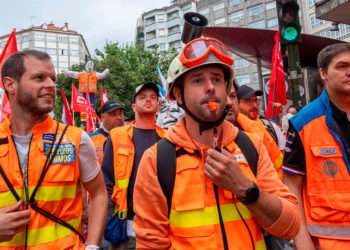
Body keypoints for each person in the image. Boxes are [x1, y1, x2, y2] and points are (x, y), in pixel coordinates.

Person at [133, 36, 299, 249]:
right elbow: (150, 244)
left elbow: (290, 226)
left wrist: (246, 189)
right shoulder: (157, 160)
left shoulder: (252, 146)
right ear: (178, 95)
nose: (210, 87)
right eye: (198, 80)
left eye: (217, 79)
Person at [0, 50, 107, 249]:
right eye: (39, 78)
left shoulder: (76, 139)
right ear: (10, 84)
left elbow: (99, 193)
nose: (51, 85)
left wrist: (92, 246)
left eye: (53, 79)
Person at [283, 43, 350, 250]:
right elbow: (291, 186)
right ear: (323, 73)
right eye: (342, 66)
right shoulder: (303, 122)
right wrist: (302, 242)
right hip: (331, 243)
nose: (349, 72)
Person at [102, 82, 166, 249]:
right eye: (142, 97)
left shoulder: (167, 139)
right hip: (126, 228)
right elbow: (106, 182)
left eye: (153, 97)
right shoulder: (117, 136)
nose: (148, 100)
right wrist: (108, 219)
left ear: (158, 106)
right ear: (134, 106)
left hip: (160, 227)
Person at [235, 84, 285, 173]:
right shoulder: (232, 132)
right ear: (236, 103)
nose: (254, 105)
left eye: (255, 101)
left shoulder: (270, 126)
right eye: (248, 101)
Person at [90, 100, 125, 165]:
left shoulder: (130, 136)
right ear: (103, 117)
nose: (119, 117)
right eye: (113, 114)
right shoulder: (90, 139)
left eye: (120, 113)